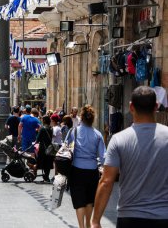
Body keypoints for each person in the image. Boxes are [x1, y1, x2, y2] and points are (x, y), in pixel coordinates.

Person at [91, 86, 168, 228]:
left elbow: (106, 181)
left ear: (131, 107)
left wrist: (95, 221)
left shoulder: (119, 139)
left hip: (130, 217)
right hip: (163, 216)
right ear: (156, 106)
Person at [64, 105, 106, 228]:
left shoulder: (74, 131)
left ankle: (82, 226)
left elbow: (65, 148)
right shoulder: (98, 134)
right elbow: (103, 156)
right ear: (93, 119)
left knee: (79, 202)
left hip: (76, 170)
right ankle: (88, 224)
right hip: (92, 172)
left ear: (81, 117)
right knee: (89, 200)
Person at [35, 115, 54, 182]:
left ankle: (43, 176)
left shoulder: (42, 129)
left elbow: (37, 139)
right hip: (50, 148)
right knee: (48, 163)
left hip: (43, 148)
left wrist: (35, 142)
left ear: (44, 121)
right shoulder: (51, 128)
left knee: (42, 162)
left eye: (42, 120)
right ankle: (46, 176)